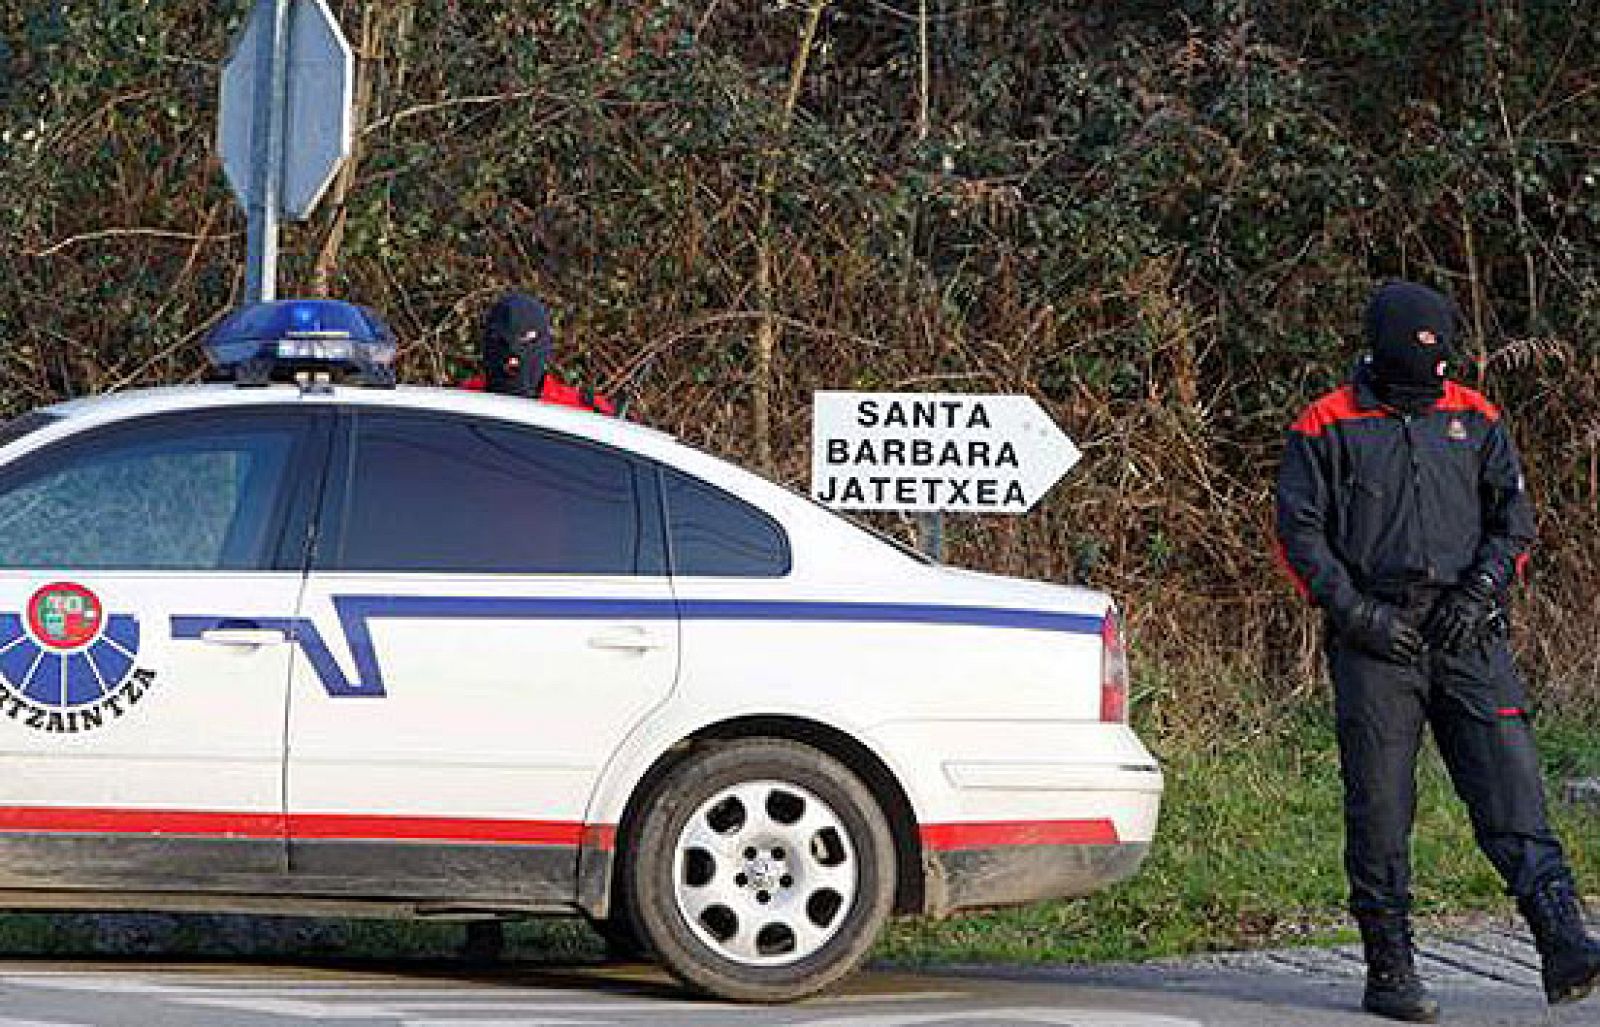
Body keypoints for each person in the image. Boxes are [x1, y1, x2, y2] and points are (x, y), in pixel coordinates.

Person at [1275, 281, 1600, 1023]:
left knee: (1512, 787)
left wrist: (1481, 590)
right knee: (1382, 807)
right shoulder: (1324, 424)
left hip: (1468, 631)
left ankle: (1562, 940)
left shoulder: (1476, 416)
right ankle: (1390, 967)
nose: (1433, 381)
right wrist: (1357, 614)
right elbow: (1299, 536)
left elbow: (1512, 523)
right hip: (1374, 641)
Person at [463, 291, 618, 415]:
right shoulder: (459, 406)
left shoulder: (583, 416)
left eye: (525, 340)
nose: (512, 360)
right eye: (500, 342)